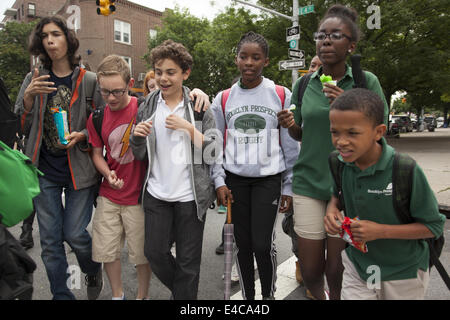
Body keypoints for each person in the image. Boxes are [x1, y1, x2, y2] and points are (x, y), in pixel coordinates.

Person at [277, 4, 389, 300]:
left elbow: (379, 138)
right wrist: (290, 124)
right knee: (311, 270)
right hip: (308, 183)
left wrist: (350, 107)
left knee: (337, 269)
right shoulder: (303, 84)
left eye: (336, 35)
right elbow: (301, 133)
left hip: (348, 187)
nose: (326, 40)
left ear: (351, 46)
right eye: (321, 35)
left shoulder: (367, 82)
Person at [14, 15, 104, 300]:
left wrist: (85, 136)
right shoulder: (34, 79)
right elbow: (20, 125)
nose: (50, 41)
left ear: (68, 38)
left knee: (75, 234)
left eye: (56, 34)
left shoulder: (89, 81)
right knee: (51, 241)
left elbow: (105, 127)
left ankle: (92, 267)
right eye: (44, 36)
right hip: (44, 171)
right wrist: (28, 100)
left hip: (81, 170)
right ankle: (62, 295)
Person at [324, 88, 445, 299]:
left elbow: (432, 226)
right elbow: (337, 193)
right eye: (335, 132)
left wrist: (381, 231)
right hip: (358, 266)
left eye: (352, 133)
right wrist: (331, 209)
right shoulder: (339, 162)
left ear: (378, 132)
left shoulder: (405, 169)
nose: (341, 141)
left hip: (403, 273)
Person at [211, 31, 299, 300]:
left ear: (266, 62)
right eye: (243, 56)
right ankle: (249, 298)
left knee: (262, 244)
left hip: (268, 180)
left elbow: (290, 145)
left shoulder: (280, 94)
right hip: (235, 180)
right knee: (243, 245)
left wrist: (288, 185)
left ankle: (268, 296)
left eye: (256, 57)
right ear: (236, 60)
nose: (249, 62)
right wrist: (219, 181)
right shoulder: (223, 99)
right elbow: (214, 145)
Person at [130, 40, 217, 300]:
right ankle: (184, 294)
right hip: (157, 195)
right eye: (158, 72)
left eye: (170, 72)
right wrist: (136, 136)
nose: (163, 79)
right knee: (155, 253)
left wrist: (189, 129)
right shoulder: (147, 105)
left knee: (189, 264)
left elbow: (214, 151)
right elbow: (138, 153)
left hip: (191, 199)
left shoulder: (199, 106)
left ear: (185, 73)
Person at [86, 55, 152, 300]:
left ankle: (142, 296)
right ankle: (117, 295)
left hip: (139, 197)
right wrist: (107, 173)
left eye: (117, 91)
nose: (111, 98)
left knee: (141, 255)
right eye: (105, 92)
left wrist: (197, 92)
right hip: (109, 195)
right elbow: (95, 153)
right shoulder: (97, 116)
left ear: (130, 83)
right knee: (106, 251)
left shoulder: (144, 108)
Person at [282, 55, 322, 291]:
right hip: (301, 173)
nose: (314, 70)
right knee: (295, 224)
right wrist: (290, 124)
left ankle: (321, 275)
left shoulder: (333, 93)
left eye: (319, 66)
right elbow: (294, 134)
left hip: (330, 172)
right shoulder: (300, 90)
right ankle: (302, 262)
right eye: (312, 66)